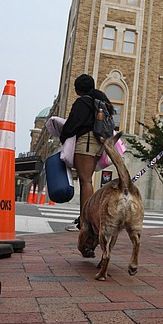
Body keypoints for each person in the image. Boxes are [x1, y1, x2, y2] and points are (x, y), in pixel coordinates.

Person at [59, 74, 113, 231]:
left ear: (77, 89)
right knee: (87, 180)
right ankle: (87, 219)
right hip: (98, 143)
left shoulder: (83, 102)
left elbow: (73, 123)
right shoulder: (101, 101)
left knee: (86, 181)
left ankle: (85, 222)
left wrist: (63, 136)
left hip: (87, 142)